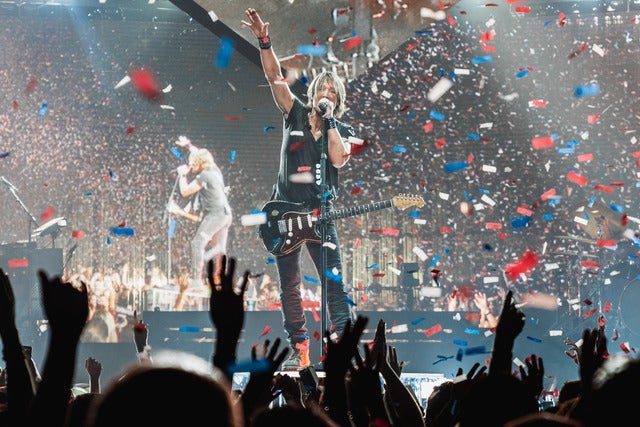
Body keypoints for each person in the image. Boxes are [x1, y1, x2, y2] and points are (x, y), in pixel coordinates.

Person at [242, 8, 356, 370]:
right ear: (314, 92)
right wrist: (264, 41)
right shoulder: (294, 112)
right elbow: (274, 76)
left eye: (332, 92)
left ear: (337, 99)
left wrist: (330, 121)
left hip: (321, 217)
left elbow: (338, 159)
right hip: (285, 212)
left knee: (333, 284)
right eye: (322, 89)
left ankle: (346, 350)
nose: (326, 94)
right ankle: (300, 348)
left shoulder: (342, 130)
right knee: (289, 286)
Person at [170, 135, 232, 294]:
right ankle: (221, 281)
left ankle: (196, 281)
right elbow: (200, 154)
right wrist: (189, 145)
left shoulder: (204, 175)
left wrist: (182, 175)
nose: (191, 166)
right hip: (226, 215)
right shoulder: (214, 170)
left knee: (198, 243)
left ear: (199, 163)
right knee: (219, 249)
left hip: (216, 214)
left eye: (192, 163)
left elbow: (185, 192)